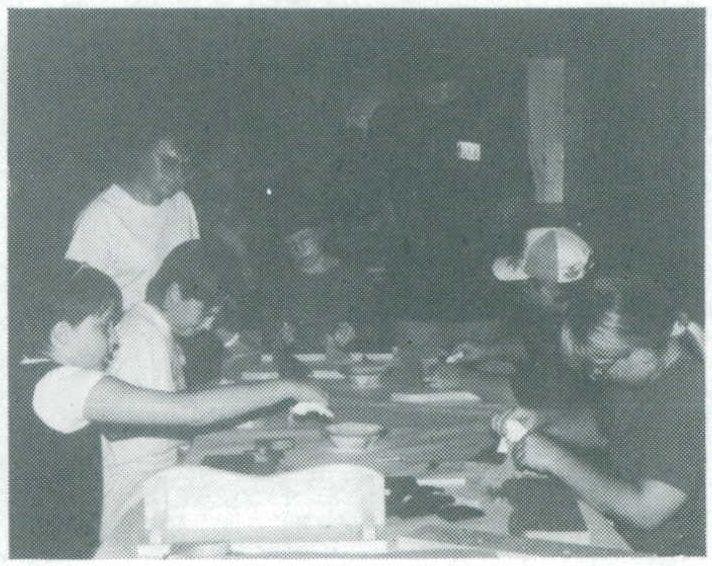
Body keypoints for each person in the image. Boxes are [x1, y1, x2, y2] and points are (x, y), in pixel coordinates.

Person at [8, 260, 328, 559]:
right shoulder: (62, 385)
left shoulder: (31, 375)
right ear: (62, 334)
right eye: (104, 327)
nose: (116, 339)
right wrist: (287, 387)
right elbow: (191, 411)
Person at [511, 274, 705, 556]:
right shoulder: (639, 377)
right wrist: (545, 419)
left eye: (599, 366)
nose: (595, 375)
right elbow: (603, 427)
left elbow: (647, 511)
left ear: (642, 354)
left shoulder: (688, 397)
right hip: (621, 531)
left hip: (668, 550)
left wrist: (555, 459)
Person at [364, 53, 534, 365]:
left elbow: (516, 194)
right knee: (418, 369)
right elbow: (377, 194)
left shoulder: (491, 122)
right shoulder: (394, 122)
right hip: (415, 275)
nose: (437, 91)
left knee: (479, 367)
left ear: (461, 82)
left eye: (446, 84)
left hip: (478, 276)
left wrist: (495, 248)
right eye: (427, 83)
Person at [100, 239, 222, 539]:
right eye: (206, 311)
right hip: (136, 493)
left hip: (156, 477)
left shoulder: (154, 329)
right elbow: (146, 431)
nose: (208, 325)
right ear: (174, 293)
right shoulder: (141, 339)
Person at [66, 121, 199, 309]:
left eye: (185, 168)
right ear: (141, 154)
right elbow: (80, 300)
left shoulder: (181, 204)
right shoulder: (99, 217)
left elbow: (192, 272)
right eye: (168, 163)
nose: (178, 176)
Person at [272, 225, 363, 362]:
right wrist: (282, 333)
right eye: (292, 244)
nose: (299, 247)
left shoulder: (349, 275)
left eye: (304, 238)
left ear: (318, 236)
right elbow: (277, 323)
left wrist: (355, 328)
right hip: (302, 359)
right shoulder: (284, 281)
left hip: (350, 358)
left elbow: (367, 317)